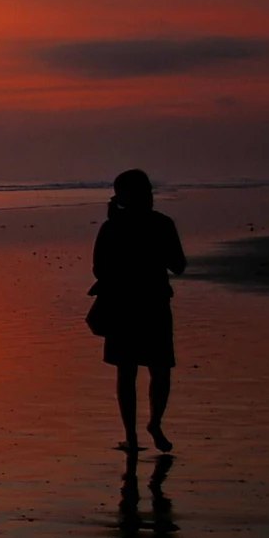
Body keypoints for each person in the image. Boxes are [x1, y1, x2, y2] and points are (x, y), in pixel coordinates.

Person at [91, 169, 185, 452]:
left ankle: (135, 434)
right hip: (152, 304)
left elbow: (99, 269)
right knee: (158, 370)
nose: (150, 196)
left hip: (124, 306)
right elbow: (178, 265)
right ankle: (150, 426)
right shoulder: (161, 224)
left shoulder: (112, 228)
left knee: (129, 372)